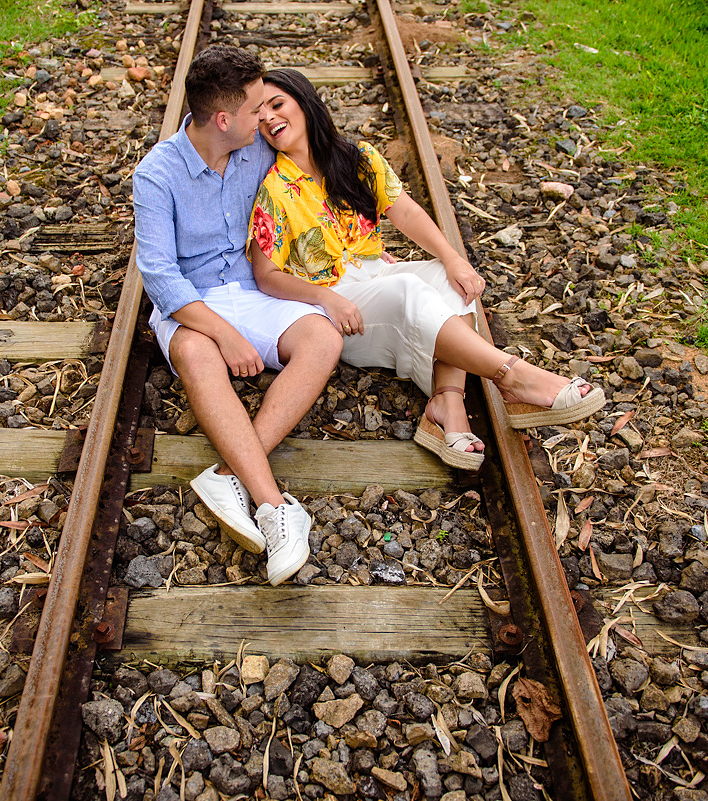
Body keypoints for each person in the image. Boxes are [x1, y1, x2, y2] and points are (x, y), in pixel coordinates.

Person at [248, 69, 605, 471]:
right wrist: (326, 297)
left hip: (377, 275)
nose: (270, 120)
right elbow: (266, 275)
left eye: (277, 105)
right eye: (259, 116)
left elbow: (405, 211)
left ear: (305, 101)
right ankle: (512, 375)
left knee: (449, 283)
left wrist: (452, 259)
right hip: (336, 304)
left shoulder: (358, 158)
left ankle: (445, 404)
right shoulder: (275, 188)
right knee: (407, 290)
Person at [133, 48, 343, 585]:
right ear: (223, 120)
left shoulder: (256, 151)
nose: (265, 120)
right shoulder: (157, 174)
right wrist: (224, 335)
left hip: (253, 289)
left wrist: (366, 246)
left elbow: (313, 191)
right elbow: (158, 276)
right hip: (193, 301)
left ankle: (228, 474)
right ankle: (276, 507)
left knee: (322, 339)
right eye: (255, 110)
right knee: (198, 354)